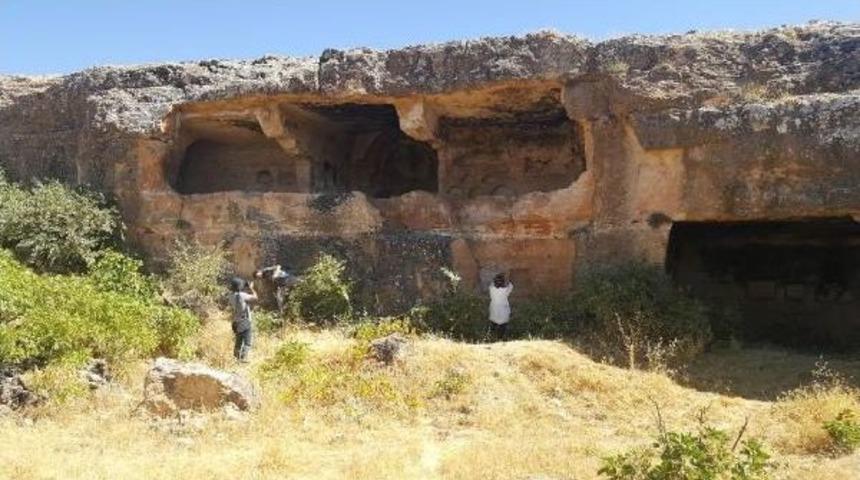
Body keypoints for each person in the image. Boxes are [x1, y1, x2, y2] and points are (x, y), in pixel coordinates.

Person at [228, 277, 257, 362]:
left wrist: (244, 288)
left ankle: (236, 358)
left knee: (239, 341)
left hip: (236, 322)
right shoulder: (242, 295)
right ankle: (243, 358)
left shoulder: (231, 296)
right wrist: (251, 288)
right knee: (247, 342)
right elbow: (255, 297)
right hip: (244, 321)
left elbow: (239, 297)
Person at [488, 273, 513, 340]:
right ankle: (500, 338)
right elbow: (511, 285)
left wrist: (497, 278)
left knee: (493, 325)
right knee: (503, 326)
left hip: (494, 310)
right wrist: (508, 279)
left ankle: (489, 337)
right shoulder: (505, 290)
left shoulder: (491, 289)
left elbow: (492, 283)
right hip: (503, 312)